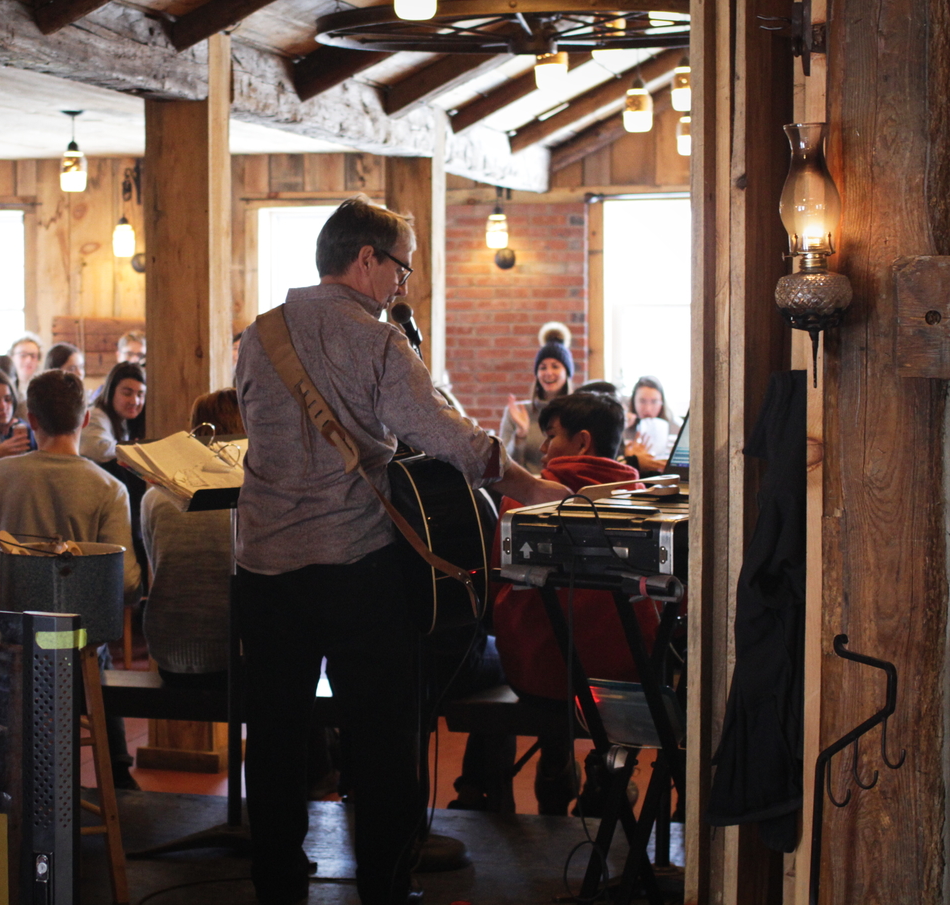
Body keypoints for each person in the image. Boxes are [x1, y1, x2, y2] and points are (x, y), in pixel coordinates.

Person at [234, 196, 570, 905]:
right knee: (382, 742)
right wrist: (524, 482)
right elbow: (444, 434)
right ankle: (384, 889)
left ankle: (278, 886)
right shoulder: (378, 341)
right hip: (355, 566)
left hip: (262, 571)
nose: (402, 286)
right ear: (365, 260)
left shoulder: (257, 337)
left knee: (274, 741)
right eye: (401, 269)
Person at [0, 369, 143, 789]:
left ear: (31, 420)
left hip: (8, 639)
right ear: (87, 419)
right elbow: (125, 585)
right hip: (70, 646)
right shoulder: (109, 488)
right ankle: (118, 773)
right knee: (95, 653)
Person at [490, 392, 661, 814]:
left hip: (537, 681)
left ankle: (552, 765)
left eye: (550, 436)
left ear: (582, 442)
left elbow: (496, 591)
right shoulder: (649, 505)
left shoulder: (521, 501)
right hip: (619, 688)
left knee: (541, 646)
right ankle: (612, 769)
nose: (544, 448)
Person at [140, 389, 243, 687]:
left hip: (167, 646)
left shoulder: (157, 496)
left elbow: (158, 566)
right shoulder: (250, 494)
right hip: (233, 649)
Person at [499, 322, 575, 475]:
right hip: (524, 491)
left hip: (565, 490)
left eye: (555, 366)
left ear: (566, 373)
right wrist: (520, 434)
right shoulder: (517, 412)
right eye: (543, 367)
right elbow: (503, 467)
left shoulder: (577, 413)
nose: (548, 372)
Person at [82, 361, 146, 464]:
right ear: (111, 392)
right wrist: (137, 449)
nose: (135, 401)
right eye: (127, 393)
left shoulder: (124, 420)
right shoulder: (95, 416)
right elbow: (100, 451)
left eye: (140, 395)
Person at [622, 375, 681, 474]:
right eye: (642, 401)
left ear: (662, 402)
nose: (648, 408)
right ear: (633, 401)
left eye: (654, 401)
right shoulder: (623, 427)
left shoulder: (676, 428)